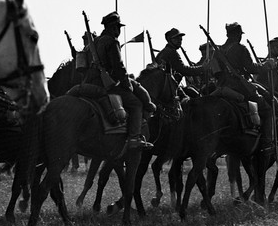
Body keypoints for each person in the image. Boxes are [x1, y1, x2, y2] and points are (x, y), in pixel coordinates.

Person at [83, 12, 153, 151]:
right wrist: (127, 85)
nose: (119, 31)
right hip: (106, 84)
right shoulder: (112, 41)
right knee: (136, 104)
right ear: (114, 28)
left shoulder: (96, 41)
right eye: (118, 28)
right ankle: (134, 138)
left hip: (90, 82)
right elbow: (119, 67)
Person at [212, 22, 278, 152]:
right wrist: (266, 65)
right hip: (239, 87)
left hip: (221, 88)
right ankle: (267, 143)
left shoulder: (217, 52)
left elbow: (216, 73)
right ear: (238, 35)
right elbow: (251, 68)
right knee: (268, 109)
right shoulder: (240, 48)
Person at [155, 28, 206, 96]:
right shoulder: (171, 52)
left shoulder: (162, 52)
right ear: (170, 40)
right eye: (176, 39)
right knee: (195, 96)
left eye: (180, 39)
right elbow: (183, 70)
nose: (179, 41)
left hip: (163, 88)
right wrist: (202, 68)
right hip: (169, 89)